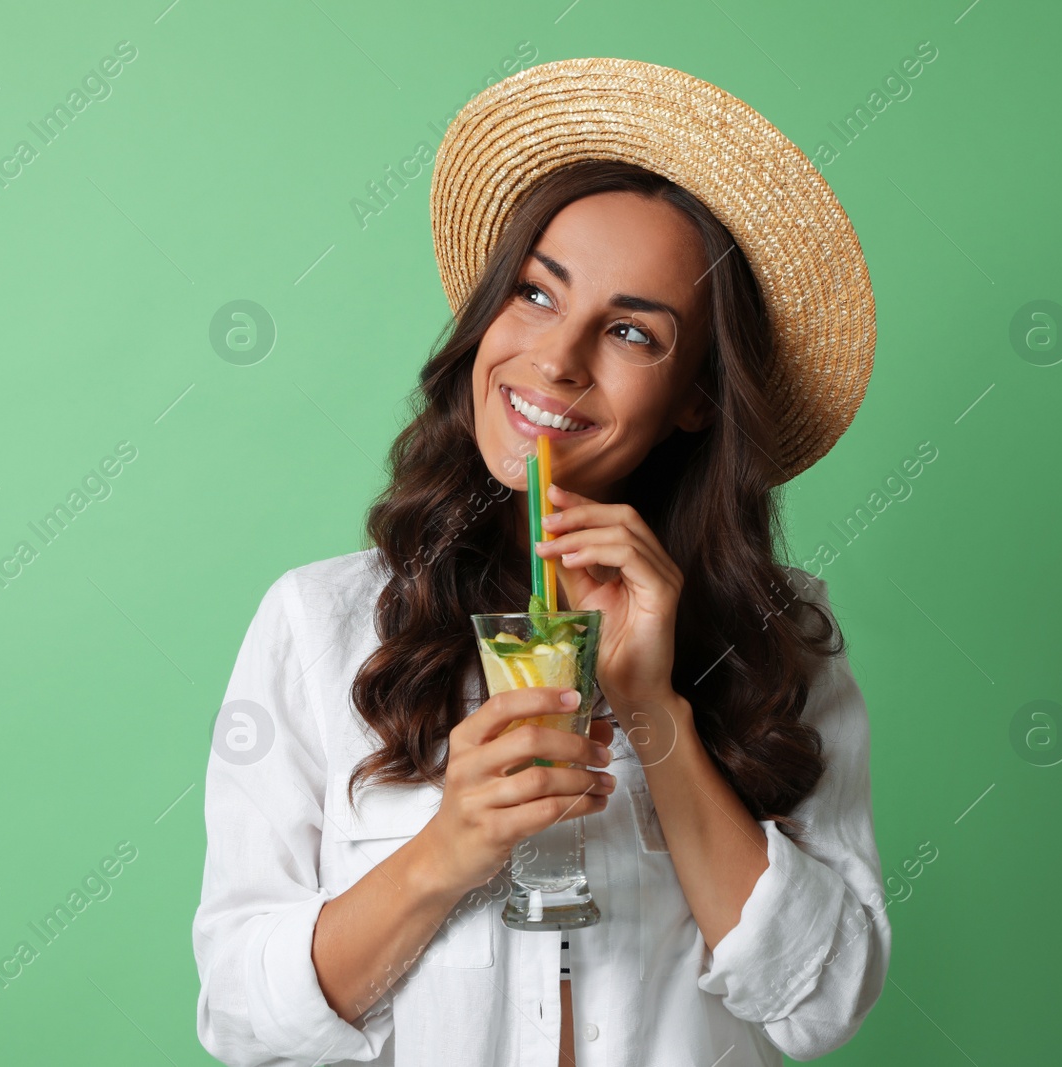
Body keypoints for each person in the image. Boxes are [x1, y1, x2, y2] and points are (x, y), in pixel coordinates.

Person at [194, 57, 888, 1067]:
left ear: (696, 394)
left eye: (629, 331)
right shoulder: (320, 623)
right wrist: (450, 846)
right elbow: (242, 1019)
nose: (557, 359)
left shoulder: (780, 639)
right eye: (533, 293)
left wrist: (655, 712)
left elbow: (822, 1004)